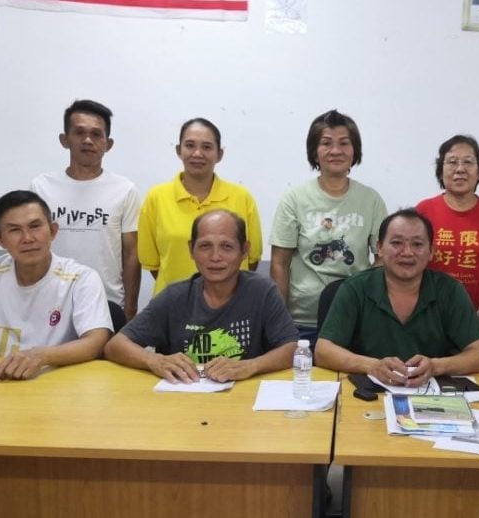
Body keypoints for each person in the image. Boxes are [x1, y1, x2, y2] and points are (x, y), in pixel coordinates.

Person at [0, 191, 112, 381]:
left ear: (53, 231)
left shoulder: (81, 278)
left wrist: (42, 356)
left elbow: (96, 341)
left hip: (61, 382)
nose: (27, 238)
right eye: (14, 230)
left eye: (35, 226)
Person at [105, 210, 298, 383]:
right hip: (183, 399)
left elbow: (292, 348)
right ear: (191, 250)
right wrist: (154, 360)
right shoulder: (174, 297)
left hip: (242, 399)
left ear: (244, 251)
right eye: (205, 246)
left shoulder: (262, 292)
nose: (215, 257)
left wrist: (250, 366)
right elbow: (116, 345)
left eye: (227, 246)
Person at [315, 209, 479, 387]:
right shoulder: (355, 288)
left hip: (429, 393)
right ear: (379, 248)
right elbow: (323, 351)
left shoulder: (450, 290)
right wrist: (373, 366)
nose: (407, 252)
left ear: (431, 251)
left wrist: (435, 366)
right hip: (366, 392)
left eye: (417, 244)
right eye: (397, 243)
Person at [270, 110, 388, 343]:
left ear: (354, 151)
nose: (335, 151)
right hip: (302, 322)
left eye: (344, 143)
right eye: (326, 143)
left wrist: (362, 296)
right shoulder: (294, 198)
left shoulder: (371, 200)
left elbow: (383, 258)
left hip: (355, 319)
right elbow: (279, 264)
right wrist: (279, 321)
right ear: (314, 151)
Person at [30, 99, 141, 321]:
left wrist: (130, 309)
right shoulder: (41, 187)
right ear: (65, 139)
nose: (88, 140)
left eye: (96, 134)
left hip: (107, 303)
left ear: (108, 144)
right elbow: (31, 244)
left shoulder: (125, 190)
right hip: (51, 299)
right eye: (79, 132)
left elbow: (131, 254)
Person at [139, 118, 263, 296]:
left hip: (232, 304)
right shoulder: (156, 198)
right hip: (173, 304)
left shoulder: (242, 198)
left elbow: (251, 259)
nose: (197, 153)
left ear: (219, 154)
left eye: (206, 147)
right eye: (190, 145)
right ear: (178, 150)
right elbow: (153, 264)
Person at [416, 135, 479, 351]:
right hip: (427, 324)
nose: (460, 169)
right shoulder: (424, 211)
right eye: (452, 162)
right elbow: (411, 264)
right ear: (441, 171)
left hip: (478, 326)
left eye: (468, 162)